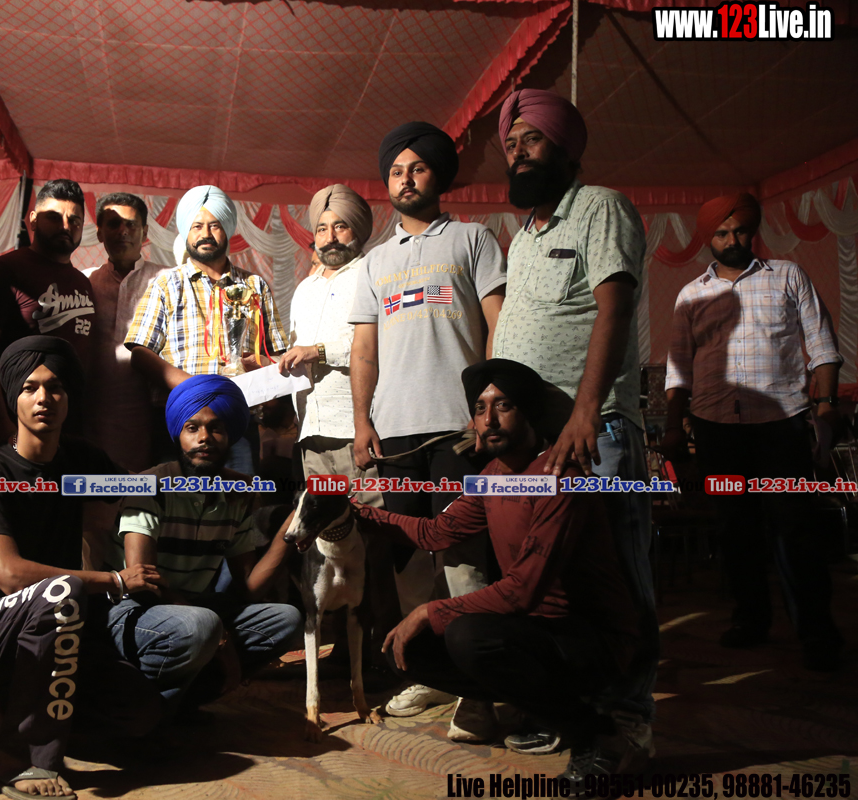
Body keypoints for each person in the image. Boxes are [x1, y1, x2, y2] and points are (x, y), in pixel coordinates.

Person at [360, 359, 643, 790]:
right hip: (535, 633)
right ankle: (548, 710)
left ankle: (599, 735)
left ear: (528, 411)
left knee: (468, 635)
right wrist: (359, 515)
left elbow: (522, 591)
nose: (489, 419)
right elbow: (436, 532)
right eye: (480, 408)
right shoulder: (493, 477)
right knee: (407, 649)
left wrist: (430, 611)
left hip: (592, 640)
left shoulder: (559, 477)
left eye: (503, 405)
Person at [493, 88, 658, 756]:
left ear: (565, 147)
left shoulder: (600, 207)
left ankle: (627, 718)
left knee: (614, 579)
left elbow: (614, 310)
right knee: (551, 585)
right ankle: (571, 709)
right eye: (511, 144)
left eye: (531, 139)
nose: (518, 153)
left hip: (596, 433)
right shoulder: (523, 240)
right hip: (537, 448)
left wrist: (585, 412)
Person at [348, 121, 506, 724]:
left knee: (463, 557)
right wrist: (362, 422)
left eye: (416, 168)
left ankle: (481, 685)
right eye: (396, 171)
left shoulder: (472, 239)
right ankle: (434, 674)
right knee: (410, 561)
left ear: (439, 176)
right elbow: (365, 350)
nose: (405, 179)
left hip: (457, 429)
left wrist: (488, 409)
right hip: (394, 433)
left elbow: (498, 326)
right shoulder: (374, 262)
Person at [0, 335, 164, 796]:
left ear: (69, 398)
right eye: (30, 387)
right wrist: (114, 579)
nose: (43, 399)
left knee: (140, 712)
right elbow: (8, 574)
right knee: (65, 591)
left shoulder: (80, 460)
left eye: (55, 388)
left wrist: (200, 480)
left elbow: (139, 489)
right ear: (13, 397)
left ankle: (45, 718)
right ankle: (19, 756)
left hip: (66, 627)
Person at [663, 193, 844, 672]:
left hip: (780, 425)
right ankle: (751, 620)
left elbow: (822, 344)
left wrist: (826, 405)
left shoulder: (787, 275)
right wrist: (673, 426)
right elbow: (679, 368)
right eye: (721, 233)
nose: (732, 240)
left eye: (740, 230)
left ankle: (817, 632)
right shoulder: (691, 294)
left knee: (795, 528)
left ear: (753, 231)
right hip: (716, 428)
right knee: (735, 528)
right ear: (708, 239)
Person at [108, 375, 302, 715]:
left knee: (286, 619)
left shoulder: (236, 494)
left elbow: (250, 587)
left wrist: (291, 528)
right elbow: (143, 582)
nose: (204, 438)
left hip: (197, 609)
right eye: (192, 428)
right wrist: (221, 637)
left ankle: (184, 701)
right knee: (202, 625)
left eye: (216, 429)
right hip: (135, 611)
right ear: (177, 436)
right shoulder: (148, 486)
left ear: (229, 436)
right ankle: (140, 711)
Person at [125, 185, 288, 471]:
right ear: (186, 232)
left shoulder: (255, 286)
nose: (206, 234)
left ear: (228, 229)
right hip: (180, 419)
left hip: (236, 421)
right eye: (197, 226)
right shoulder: (166, 284)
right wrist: (195, 390)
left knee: (237, 496)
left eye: (215, 225)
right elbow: (139, 352)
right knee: (177, 496)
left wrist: (263, 373)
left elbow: (277, 355)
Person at [278, 184, 381, 502]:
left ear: (358, 230)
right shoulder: (305, 289)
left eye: (340, 226)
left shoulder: (374, 275)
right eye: (322, 229)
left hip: (357, 429)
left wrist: (318, 351)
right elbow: (297, 352)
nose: (330, 237)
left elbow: (380, 345)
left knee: (370, 520)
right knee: (324, 525)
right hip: (311, 432)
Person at [0, 179, 97, 443]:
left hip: (70, 422)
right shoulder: (5, 271)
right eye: (55, 217)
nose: (66, 226)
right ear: (33, 220)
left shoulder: (83, 282)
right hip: (20, 419)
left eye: (75, 220)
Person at [81, 192, 169, 471]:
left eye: (131, 224)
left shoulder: (167, 281)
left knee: (139, 488)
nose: (123, 231)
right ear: (99, 233)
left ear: (145, 232)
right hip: (90, 410)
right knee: (92, 485)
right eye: (113, 224)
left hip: (147, 413)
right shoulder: (85, 281)